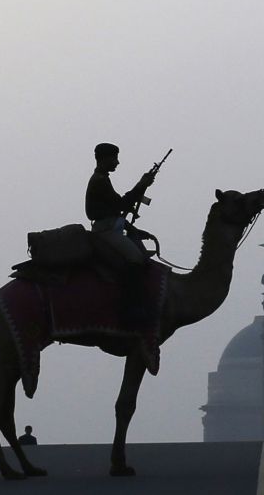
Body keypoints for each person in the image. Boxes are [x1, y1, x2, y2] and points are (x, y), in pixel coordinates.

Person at [85, 142, 159, 375]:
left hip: (111, 226)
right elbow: (121, 204)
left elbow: (116, 208)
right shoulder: (99, 180)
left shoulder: (102, 179)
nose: (117, 162)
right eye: (114, 158)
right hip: (105, 230)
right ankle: (130, 309)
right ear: (104, 159)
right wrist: (142, 185)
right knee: (136, 261)